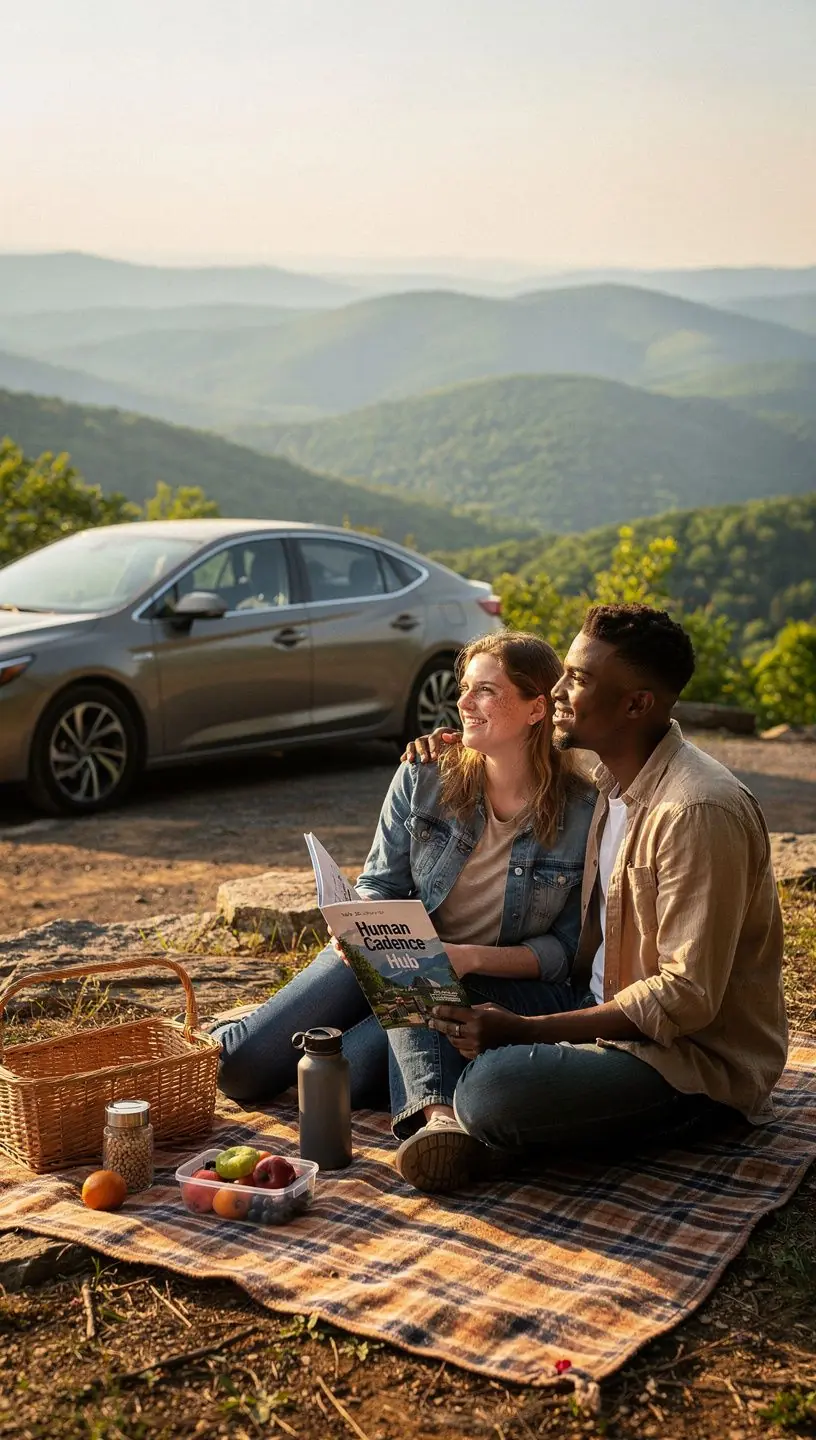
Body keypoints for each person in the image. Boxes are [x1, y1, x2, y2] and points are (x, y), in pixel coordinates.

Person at [412, 604, 787, 1186]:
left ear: (636, 705)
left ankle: (482, 1119)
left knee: (491, 1090)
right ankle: (447, 1118)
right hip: (593, 1004)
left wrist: (528, 1032)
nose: (557, 691)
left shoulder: (696, 810)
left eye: (579, 679)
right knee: (426, 989)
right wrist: (456, 747)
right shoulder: (608, 787)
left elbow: (687, 997)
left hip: (685, 1062)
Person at [215, 630, 596, 1191]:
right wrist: (362, 921)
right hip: (393, 954)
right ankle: (225, 1036)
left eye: (486, 691)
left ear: (537, 708)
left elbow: (562, 952)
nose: (464, 703)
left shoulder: (582, 812)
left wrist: (464, 957)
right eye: (464, 689)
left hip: (486, 981)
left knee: (339, 1076)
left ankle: (438, 1122)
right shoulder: (424, 775)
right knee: (239, 1069)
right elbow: (380, 882)